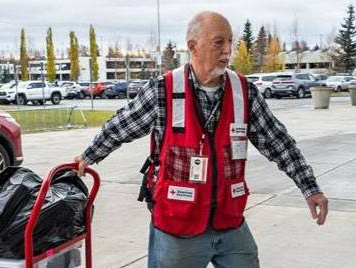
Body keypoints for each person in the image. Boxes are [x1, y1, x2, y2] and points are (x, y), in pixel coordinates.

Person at [73, 11, 328, 268]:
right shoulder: (163, 90)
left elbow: (278, 142)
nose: (228, 49)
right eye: (219, 42)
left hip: (230, 224)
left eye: (231, 41)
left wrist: (310, 188)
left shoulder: (244, 92)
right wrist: (88, 156)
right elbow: (120, 126)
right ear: (193, 46)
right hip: (177, 229)